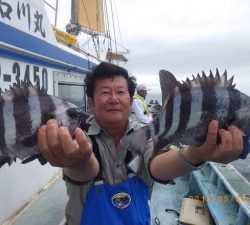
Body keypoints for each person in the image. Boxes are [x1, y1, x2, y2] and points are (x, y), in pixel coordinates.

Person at [38, 62, 244, 225]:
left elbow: (157, 165)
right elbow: (84, 170)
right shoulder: (74, 136)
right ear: (91, 103)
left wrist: (196, 154)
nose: (113, 99)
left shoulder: (144, 134)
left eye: (120, 92)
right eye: (104, 92)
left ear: (130, 100)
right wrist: (77, 161)